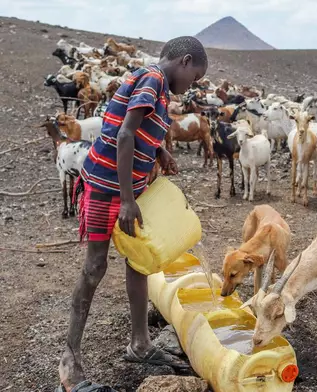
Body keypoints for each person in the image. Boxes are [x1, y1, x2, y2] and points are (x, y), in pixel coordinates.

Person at [57, 36, 208, 392]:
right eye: (196, 77)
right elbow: (124, 135)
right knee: (95, 267)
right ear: (184, 61)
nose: (194, 86)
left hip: (128, 188)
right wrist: (127, 199)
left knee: (140, 262)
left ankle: (139, 345)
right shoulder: (153, 80)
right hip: (107, 188)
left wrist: (159, 154)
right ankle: (69, 360)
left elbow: (137, 130)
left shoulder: (156, 86)